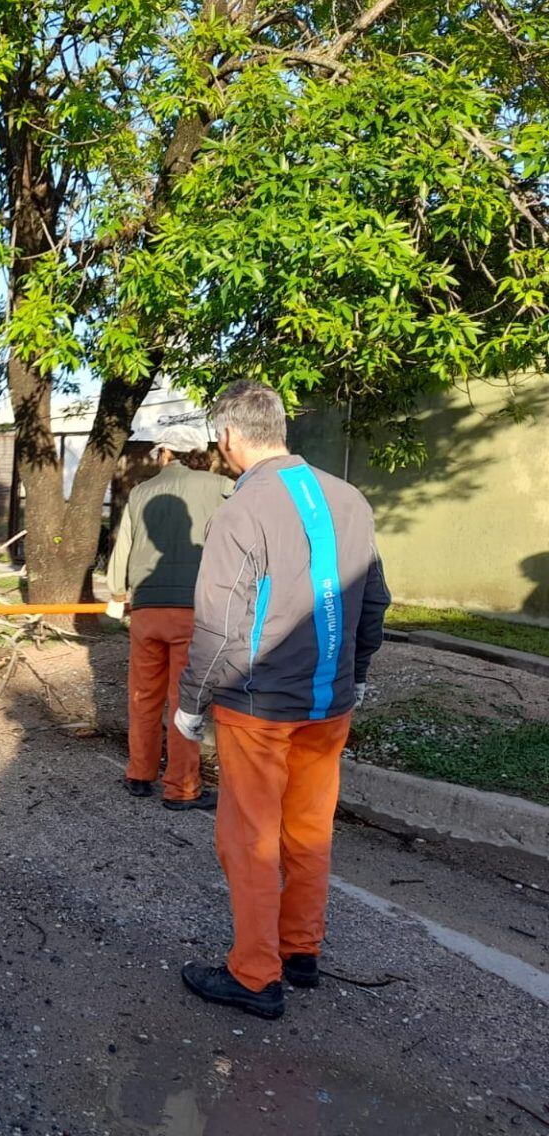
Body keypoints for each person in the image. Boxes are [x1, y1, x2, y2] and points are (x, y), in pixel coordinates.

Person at [174, 381, 390, 1019]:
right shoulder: (349, 499)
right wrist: (360, 669)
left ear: (228, 436)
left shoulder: (242, 508)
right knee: (309, 830)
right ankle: (300, 952)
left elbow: (219, 624)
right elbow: (373, 600)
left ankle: (254, 975)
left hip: (259, 706)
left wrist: (191, 705)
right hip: (330, 704)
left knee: (250, 839)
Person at [106, 424, 232, 811]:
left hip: (145, 610)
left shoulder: (141, 492)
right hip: (194, 611)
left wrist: (117, 594)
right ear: (199, 453)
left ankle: (140, 774)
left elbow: (122, 548)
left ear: (166, 454)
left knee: (143, 695)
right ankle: (181, 788)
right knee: (184, 701)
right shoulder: (221, 488)